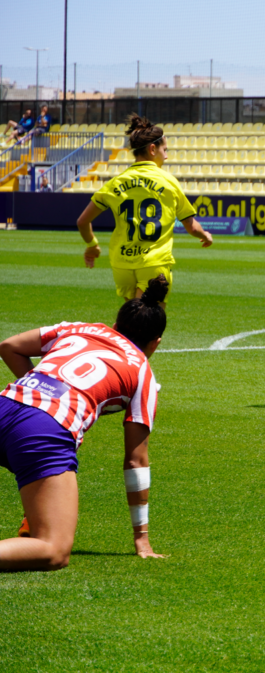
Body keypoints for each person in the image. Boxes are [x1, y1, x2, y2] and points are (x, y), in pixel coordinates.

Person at [0, 276, 169, 571]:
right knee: (52, 549)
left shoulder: (80, 328)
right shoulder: (143, 371)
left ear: (115, 325)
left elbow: (9, 346)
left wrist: (38, 394)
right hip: (42, 430)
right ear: (156, 343)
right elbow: (136, 461)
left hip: (5, 403)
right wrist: (141, 538)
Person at [76, 115, 213, 305]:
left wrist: (92, 245)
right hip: (153, 264)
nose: (166, 155)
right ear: (152, 149)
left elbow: (82, 222)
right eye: (165, 150)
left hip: (122, 264)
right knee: (149, 324)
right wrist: (205, 235)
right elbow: (191, 226)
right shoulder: (168, 182)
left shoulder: (115, 182)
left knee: (131, 323)